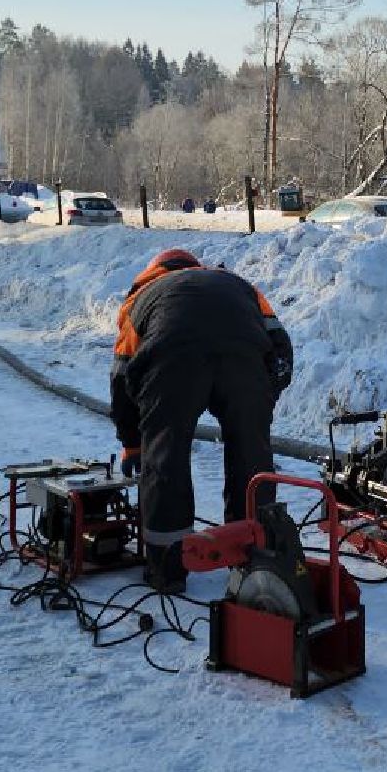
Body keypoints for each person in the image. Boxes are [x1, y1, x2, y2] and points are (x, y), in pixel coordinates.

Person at [110, 248, 294, 592]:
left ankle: (167, 569)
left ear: (155, 270)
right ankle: (254, 557)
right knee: (251, 456)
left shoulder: (141, 298)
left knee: (165, 456)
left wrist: (135, 444)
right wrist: (259, 406)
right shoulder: (238, 285)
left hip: (172, 359)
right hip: (243, 357)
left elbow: (122, 379)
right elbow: (280, 346)